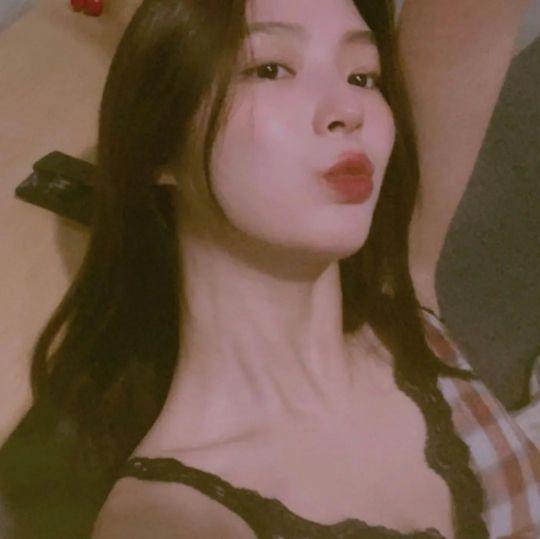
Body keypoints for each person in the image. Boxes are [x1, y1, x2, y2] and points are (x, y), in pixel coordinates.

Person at [0, 1, 539, 538]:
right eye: (270, 69)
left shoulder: (405, 308)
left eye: (363, 76)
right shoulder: (173, 521)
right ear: (157, 143)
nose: (349, 108)